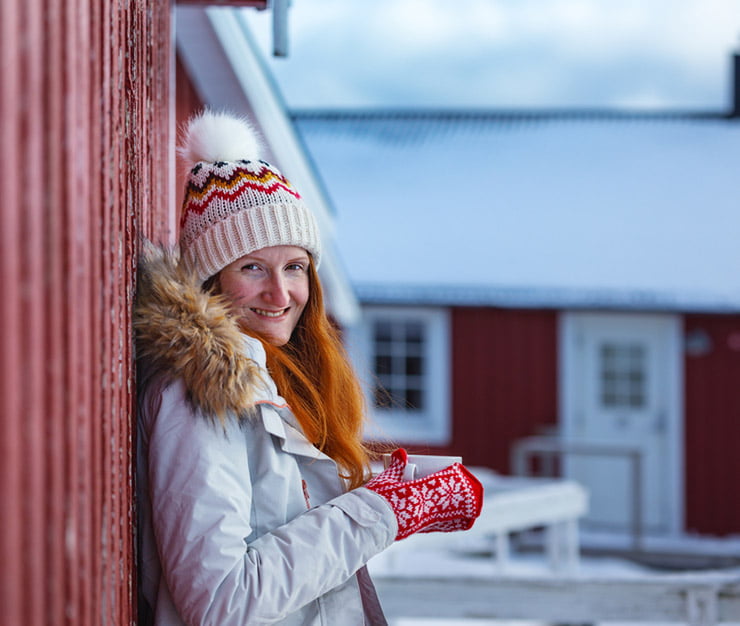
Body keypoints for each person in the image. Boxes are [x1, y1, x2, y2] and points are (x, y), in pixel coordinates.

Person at [134, 109, 483, 625]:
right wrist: (384, 512)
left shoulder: (267, 384)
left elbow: (274, 511)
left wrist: (392, 488)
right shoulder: (198, 395)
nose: (281, 293)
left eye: (294, 267)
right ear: (210, 280)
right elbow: (221, 602)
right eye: (252, 267)